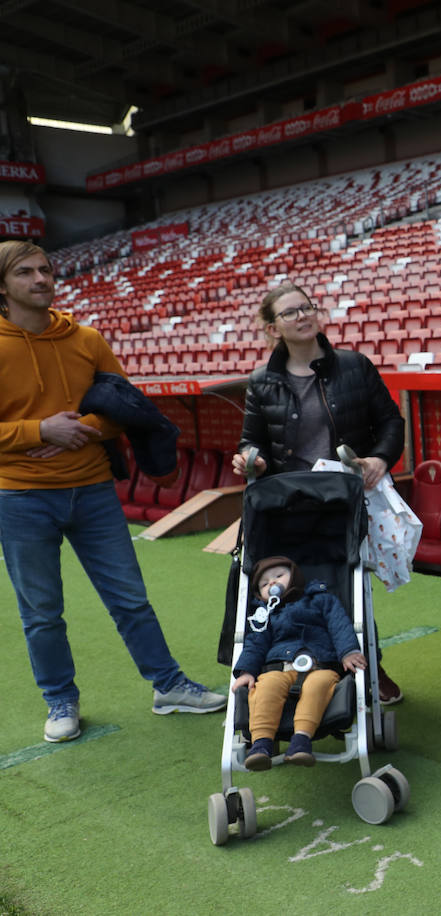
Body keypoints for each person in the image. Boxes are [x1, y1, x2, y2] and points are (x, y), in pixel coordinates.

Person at [0, 241, 227, 744]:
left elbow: (125, 405)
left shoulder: (86, 338)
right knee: (40, 610)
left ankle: (168, 686)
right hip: (19, 497)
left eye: (45, 269)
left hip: (94, 490)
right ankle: (60, 698)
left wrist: (83, 427)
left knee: (130, 599)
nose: (40, 279)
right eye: (25, 272)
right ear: (3, 286)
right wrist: (39, 431)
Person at [232, 282, 406, 705]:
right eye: (290, 313)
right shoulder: (262, 382)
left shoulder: (354, 366)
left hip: (344, 501)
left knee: (348, 585)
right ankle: (285, 667)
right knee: (293, 589)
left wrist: (380, 459)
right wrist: (249, 460)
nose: (303, 316)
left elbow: (391, 423)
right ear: (273, 329)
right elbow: (250, 443)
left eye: (306, 308)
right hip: (288, 506)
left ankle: (369, 665)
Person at [231, 555, 366, 769]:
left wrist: (348, 652)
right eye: (264, 583)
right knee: (266, 687)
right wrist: (247, 671)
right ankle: (261, 743)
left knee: (318, 685)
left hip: (319, 665)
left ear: (295, 576)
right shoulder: (264, 615)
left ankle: (301, 741)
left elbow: (339, 626)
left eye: (278, 576)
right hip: (278, 668)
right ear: (259, 593)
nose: (272, 583)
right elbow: (255, 643)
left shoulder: (320, 599)